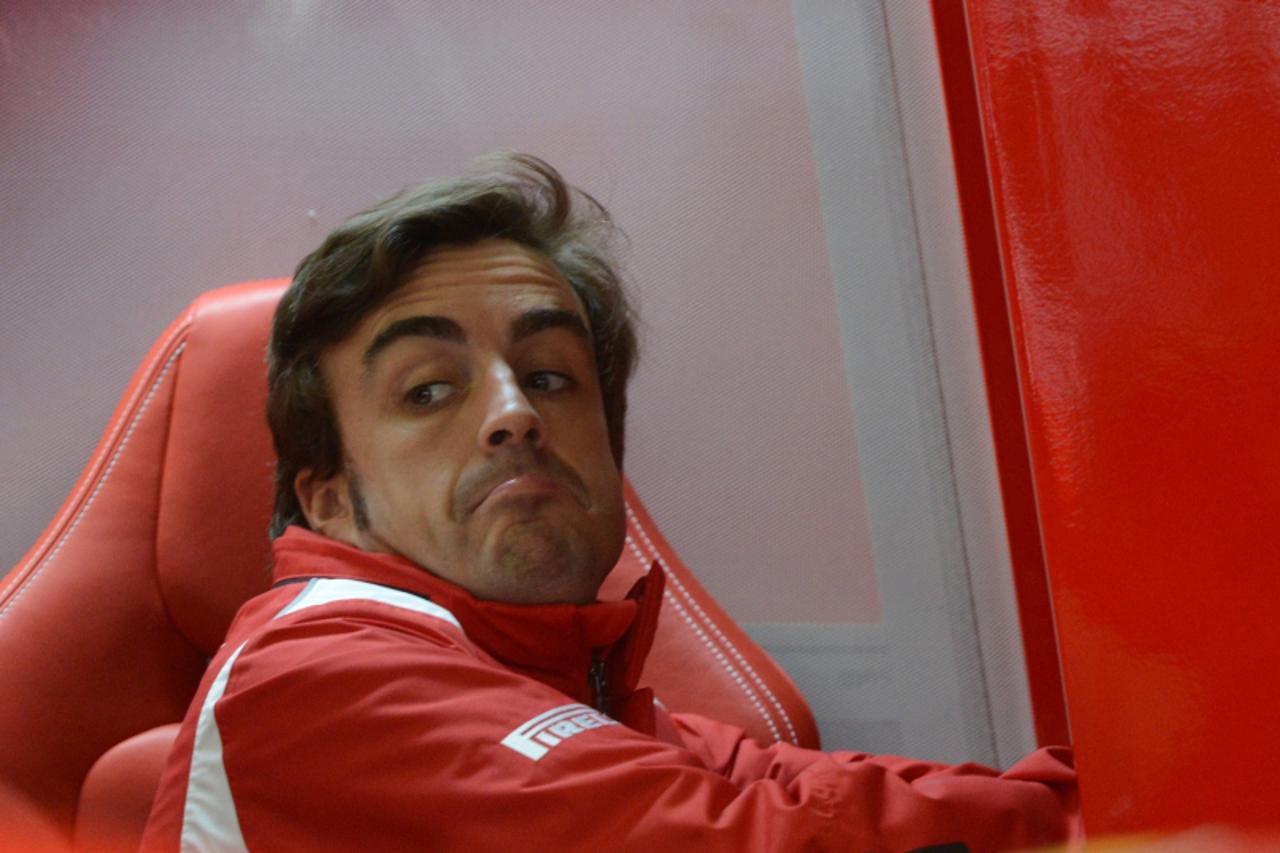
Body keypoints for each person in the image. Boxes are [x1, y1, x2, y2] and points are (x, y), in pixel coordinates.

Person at [143, 154, 1079, 851]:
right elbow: (744, 838)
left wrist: (1106, 799)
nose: (513, 414)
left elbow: (815, 787)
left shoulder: (579, 688)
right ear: (333, 500)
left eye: (551, 375)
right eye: (428, 390)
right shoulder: (312, 673)